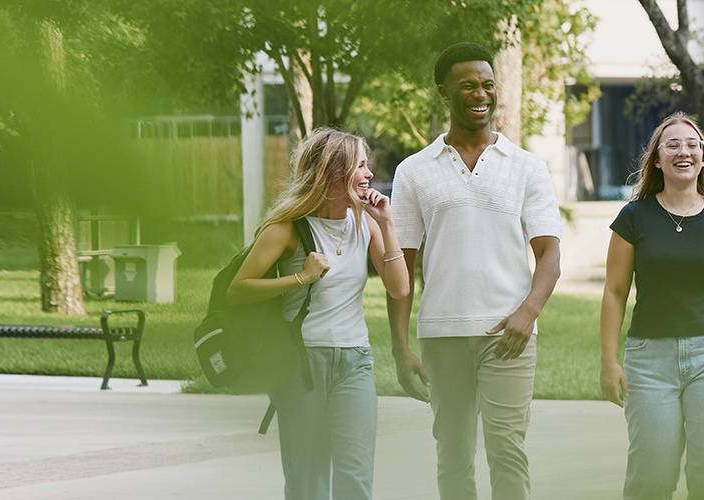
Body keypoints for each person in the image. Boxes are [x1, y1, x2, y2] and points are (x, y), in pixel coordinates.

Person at [388, 42, 563, 500]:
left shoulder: (527, 167)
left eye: (488, 85)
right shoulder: (413, 171)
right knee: (453, 453)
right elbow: (400, 266)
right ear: (444, 92)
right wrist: (400, 346)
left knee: (507, 451)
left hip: (508, 333)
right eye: (468, 86)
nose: (480, 94)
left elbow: (549, 254)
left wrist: (528, 312)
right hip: (441, 333)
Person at [226, 128, 411, 500]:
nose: (369, 174)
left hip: (354, 362)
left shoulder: (368, 225)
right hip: (301, 364)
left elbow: (400, 288)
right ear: (333, 172)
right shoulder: (287, 228)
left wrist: (387, 223)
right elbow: (237, 290)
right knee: (307, 482)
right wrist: (300, 277)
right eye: (360, 165)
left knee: (356, 478)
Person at [599, 112, 704, 500]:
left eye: (692, 144)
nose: (683, 151)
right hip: (648, 361)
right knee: (650, 480)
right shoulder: (633, 217)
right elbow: (614, 291)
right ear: (657, 160)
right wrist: (609, 362)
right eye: (672, 144)